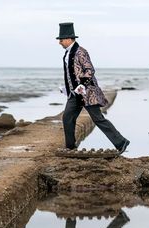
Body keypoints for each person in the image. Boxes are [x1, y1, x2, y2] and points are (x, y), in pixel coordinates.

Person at [56, 22, 130, 152]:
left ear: (68, 39)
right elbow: (72, 74)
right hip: (75, 94)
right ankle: (70, 147)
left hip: (88, 93)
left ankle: (121, 142)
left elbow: (89, 70)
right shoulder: (67, 54)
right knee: (67, 118)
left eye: (61, 40)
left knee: (98, 119)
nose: (59, 42)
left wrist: (82, 85)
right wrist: (67, 88)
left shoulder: (81, 52)